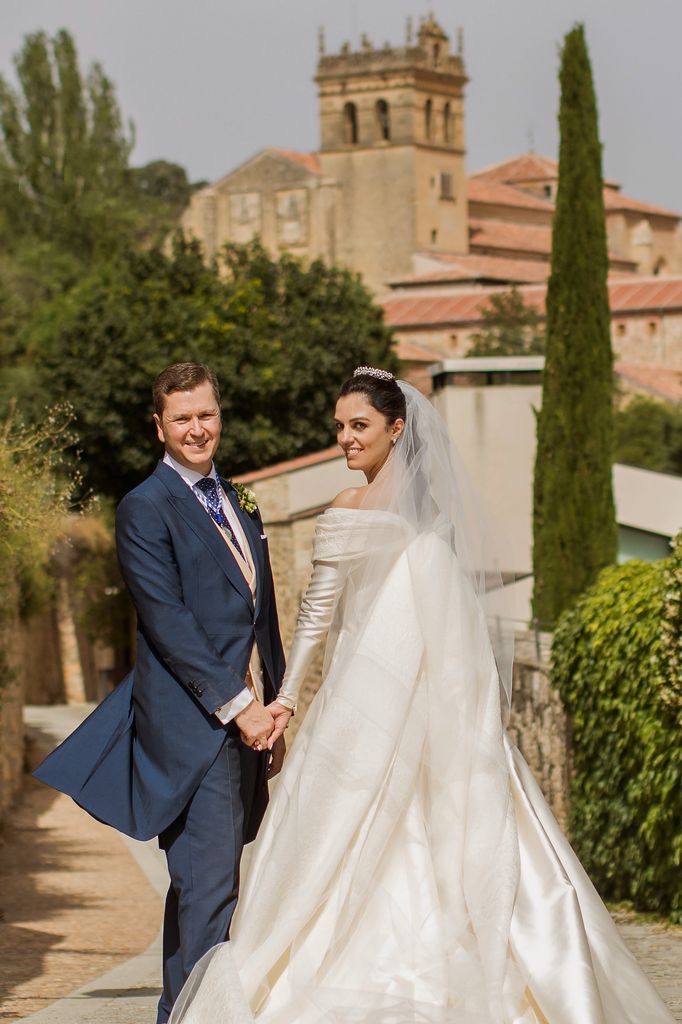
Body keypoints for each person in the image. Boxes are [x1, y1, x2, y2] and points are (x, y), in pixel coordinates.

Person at [167, 367, 674, 1024]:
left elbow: (318, 617)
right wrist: (283, 702)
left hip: (392, 708)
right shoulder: (425, 516)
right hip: (392, 704)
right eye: (340, 428)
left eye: (359, 426)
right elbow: (324, 616)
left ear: (396, 429)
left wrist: (289, 699)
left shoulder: (357, 509)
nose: (346, 440)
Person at [34, 362, 289, 1024]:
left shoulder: (240, 500)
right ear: (159, 426)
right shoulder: (145, 507)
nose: (196, 428)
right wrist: (240, 710)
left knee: (202, 891)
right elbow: (167, 621)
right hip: (195, 730)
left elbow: (262, 614)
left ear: (219, 415)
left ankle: (178, 1016)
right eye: (182, 418)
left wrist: (276, 704)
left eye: (205, 414)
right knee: (209, 894)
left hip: (247, 725)